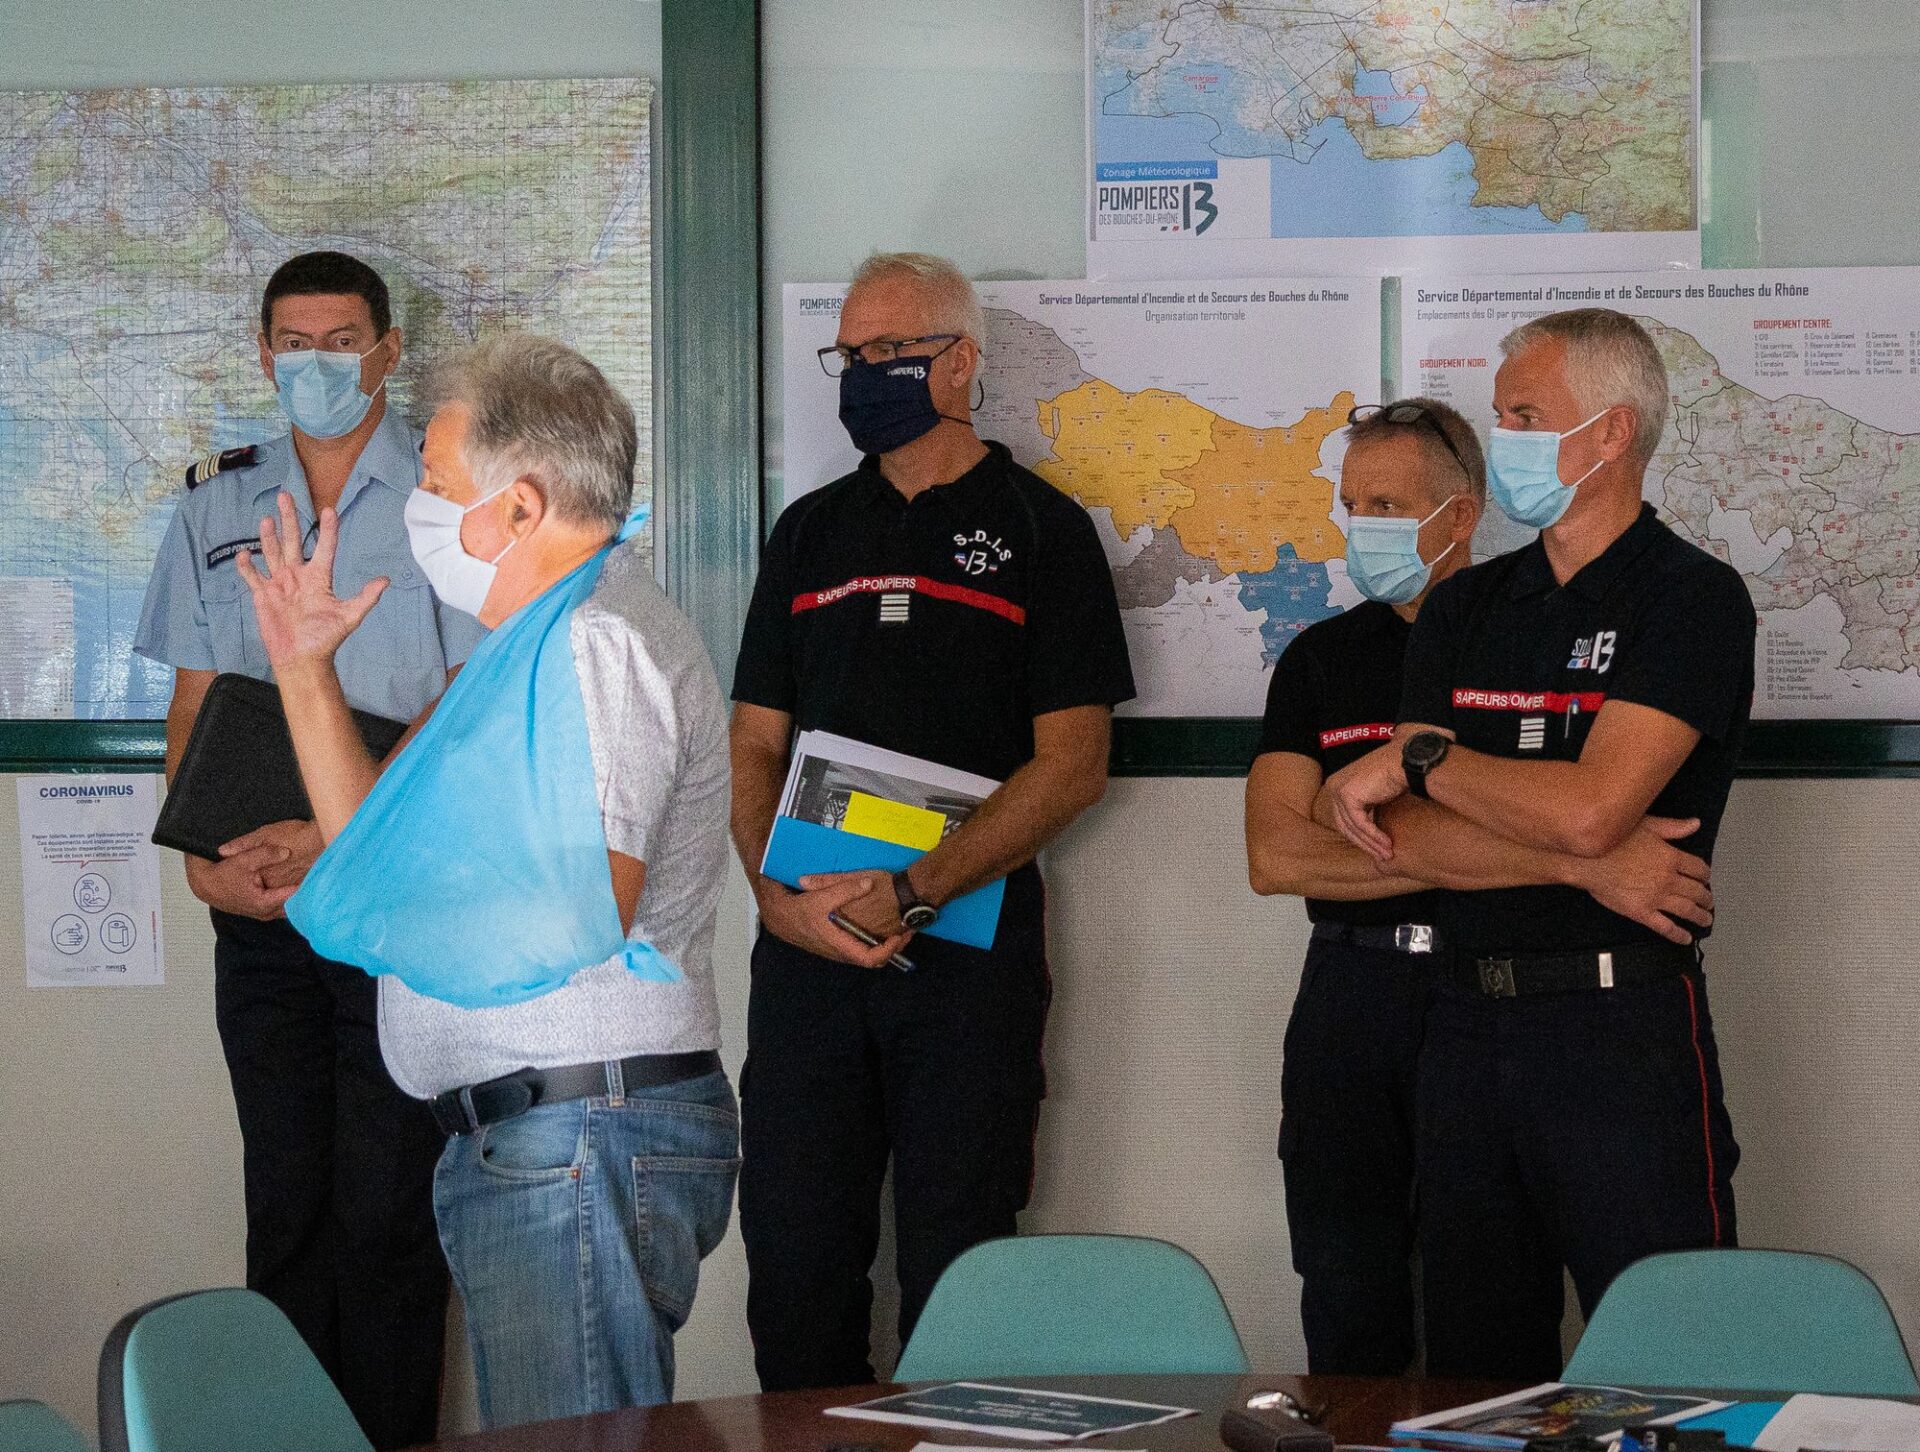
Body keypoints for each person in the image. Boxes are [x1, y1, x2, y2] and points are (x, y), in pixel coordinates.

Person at [229, 333, 737, 1430]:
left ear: (522, 505)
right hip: (543, 1134)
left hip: (580, 1132)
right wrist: (305, 669)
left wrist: (387, 913)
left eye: (435, 485)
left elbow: (577, 906)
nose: (417, 507)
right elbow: (371, 851)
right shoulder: (530, 642)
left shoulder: (597, 643)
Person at [1246, 398, 1723, 1374]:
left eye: (1386, 503)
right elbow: (1278, 858)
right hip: (1353, 1000)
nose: (1361, 527)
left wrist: (1444, 823)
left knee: (1517, 1305)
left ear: (1459, 517)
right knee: (1351, 1290)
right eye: (1350, 504)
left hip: (1485, 997)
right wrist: (1581, 859)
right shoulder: (1319, 661)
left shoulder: (1520, 645)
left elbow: (1557, 803)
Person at [730, 251, 1135, 1390]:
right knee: (798, 1268)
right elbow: (754, 743)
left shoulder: (1044, 531)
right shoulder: (808, 533)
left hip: (966, 962)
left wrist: (913, 890)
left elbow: (1075, 766)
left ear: (959, 363)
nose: (863, 377)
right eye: (849, 356)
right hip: (807, 954)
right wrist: (773, 896)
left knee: (962, 1276)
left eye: (889, 355)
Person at [133, 250, 470, 1449]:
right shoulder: (218, 504)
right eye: (292, 340)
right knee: (283, 1208)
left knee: (387, 1217)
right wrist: (198, 856)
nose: (314, 362)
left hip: (385, 901)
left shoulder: (450, 499)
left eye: (341, 340)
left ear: (387, 349)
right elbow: (192, 706)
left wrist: (339, 833)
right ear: (262, 350)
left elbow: (465, 705)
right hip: (256, 905)